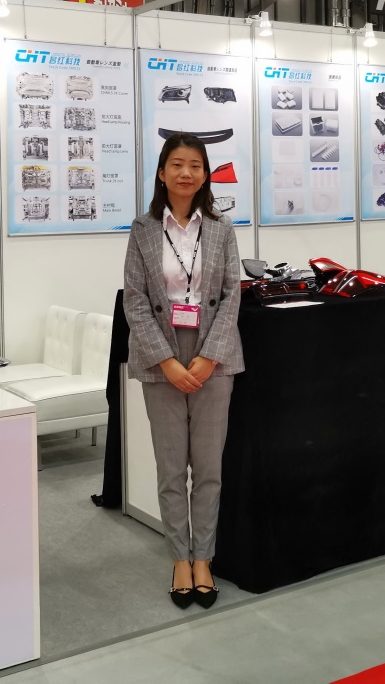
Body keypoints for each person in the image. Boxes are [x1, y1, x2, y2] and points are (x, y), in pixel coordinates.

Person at [123, 132, 244, 609]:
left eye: (195, 165)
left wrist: (210, 356)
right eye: (176, 164)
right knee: (171, 469)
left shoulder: (221, 227)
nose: (186, 172)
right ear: (161, 173)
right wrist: (167, 361)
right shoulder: (143, 228)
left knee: (209, 469)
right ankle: (179, 559)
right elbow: (135, 300)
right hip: (161, 355)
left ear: (205, 174)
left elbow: (232, 294)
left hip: (214, 353)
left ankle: (204, 559)